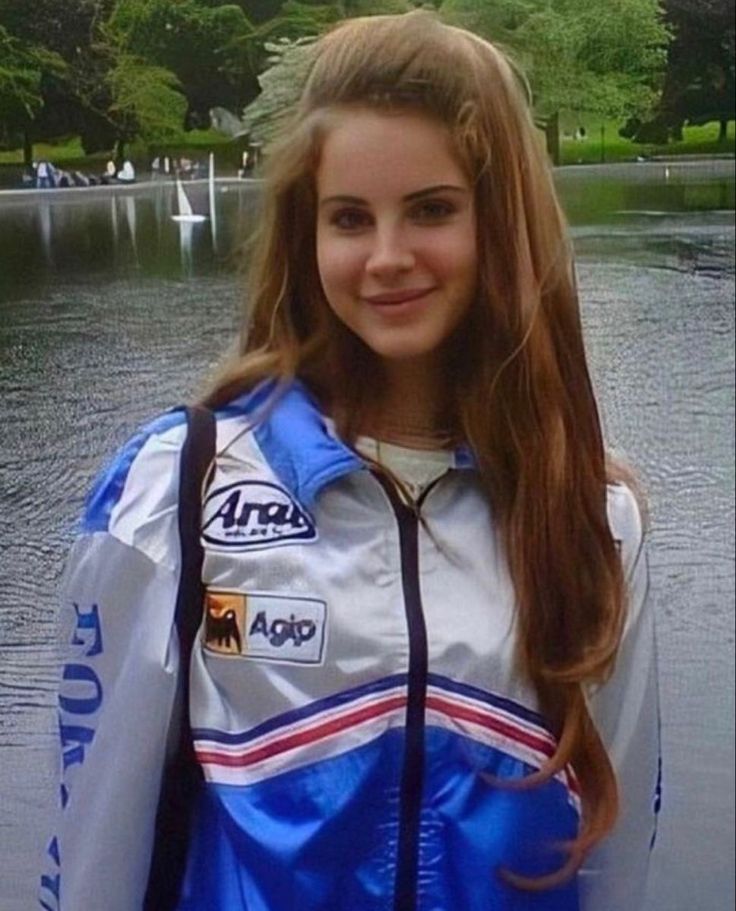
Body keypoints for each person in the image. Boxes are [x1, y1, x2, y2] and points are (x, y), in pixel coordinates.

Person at [39, 11, 661, 911]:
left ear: (503, 225)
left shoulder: (592, 519)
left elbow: (616, 867)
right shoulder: (176, 495)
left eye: (433, 209)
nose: (386, 257)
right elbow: (91, 859)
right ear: (306, 234)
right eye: (348, 218)